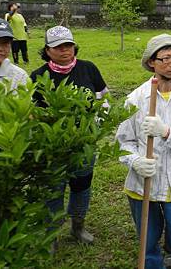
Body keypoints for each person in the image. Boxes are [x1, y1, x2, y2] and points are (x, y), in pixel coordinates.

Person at [116, 34, 171, 269]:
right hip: (142, 184)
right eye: (166, 58)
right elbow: (123, 142)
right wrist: (136, 161)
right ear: (152, 62)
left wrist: (165, 131)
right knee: (148, 247)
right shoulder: (135, 99)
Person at [30, 26, 108, 245]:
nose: (65, 50)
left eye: (68, 45)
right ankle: (52, 234)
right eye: (58, 47)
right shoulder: (38, 76)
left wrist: (97, 129)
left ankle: (77, 226)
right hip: (52, 146)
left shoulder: (88, 69)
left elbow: (103, 99)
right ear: (47, 50)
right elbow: (32, 114)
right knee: (54, 188)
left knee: (81, 185)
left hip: (84, 143)